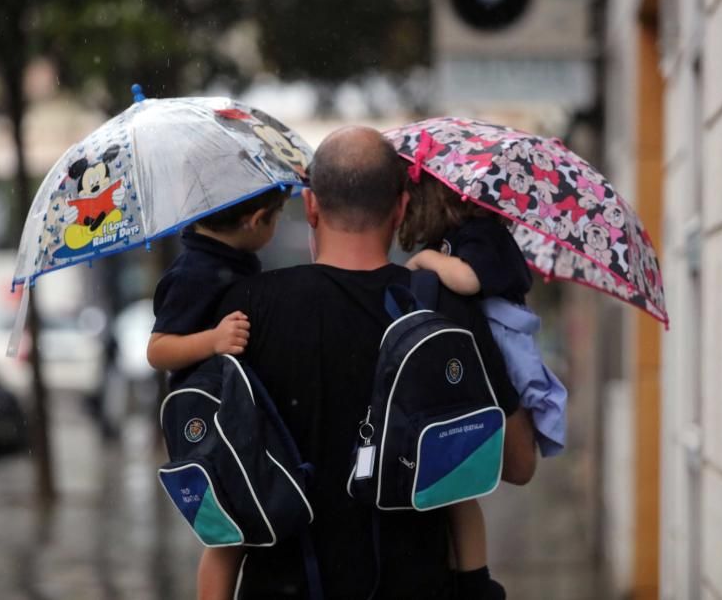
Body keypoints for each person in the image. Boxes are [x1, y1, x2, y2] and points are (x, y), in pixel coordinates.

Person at [210, 126, 538, 599]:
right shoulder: (440, 307)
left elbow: (221, 482)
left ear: (312, 207)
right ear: (402, 207)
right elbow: (518, 463)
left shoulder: (244, 311)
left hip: (285, 584)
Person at [398, 170, 568, 596]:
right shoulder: (462, 234)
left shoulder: (482, 234)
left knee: (479, 478)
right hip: (482, 346)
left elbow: (468, 280)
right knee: (459, 493)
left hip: (504, 342)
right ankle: (468, 576)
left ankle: (474, 579)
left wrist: (427, 261)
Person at [146, 185, 290, 598]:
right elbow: (158, 350)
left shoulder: (231, 261)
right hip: (209, 426)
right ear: (255, 219)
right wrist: (213, 340)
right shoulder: (195, 271)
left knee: (240, 526)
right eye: (277, 218)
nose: (277, 228)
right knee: (227, 535)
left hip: (233, 416)